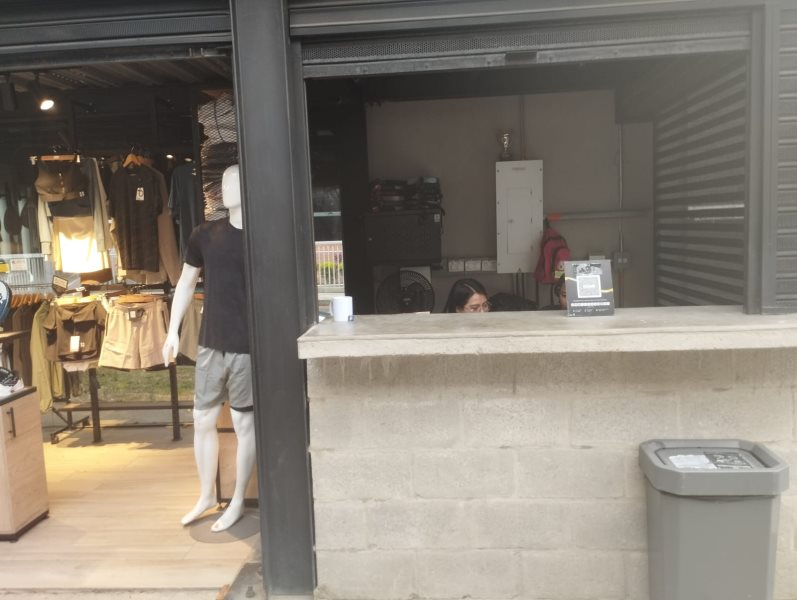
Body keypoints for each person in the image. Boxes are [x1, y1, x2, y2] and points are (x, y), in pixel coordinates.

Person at [162, 164, 255, 533]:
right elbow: (186, 283)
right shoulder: (205, 235)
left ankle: (237, 500)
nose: (227, 187)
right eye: (225, 181)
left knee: (244, 422)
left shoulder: (263, 236)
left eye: (235, 180)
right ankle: (205, 495)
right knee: (202, 419)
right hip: (211, 342)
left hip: (247, 345)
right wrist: (172, 331)